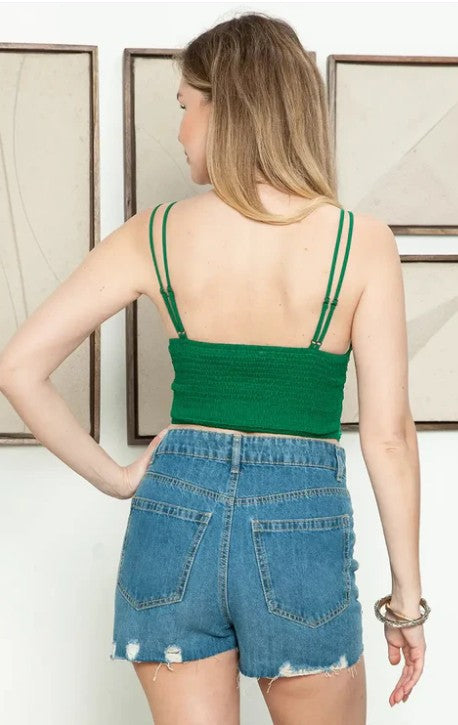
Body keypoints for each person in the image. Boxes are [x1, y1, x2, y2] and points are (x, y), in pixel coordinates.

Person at [0, 11, 429, 725]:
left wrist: (119, 478)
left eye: (185, 106)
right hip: (300, 522)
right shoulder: (361, 243)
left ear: (226, 108)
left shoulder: (154, 234)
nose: (179, 131)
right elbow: (388, 437)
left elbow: (18, 367)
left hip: (174, 516)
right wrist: (406, 602)